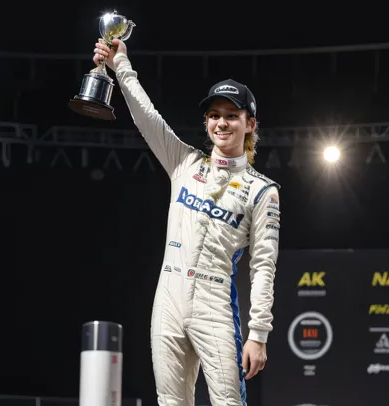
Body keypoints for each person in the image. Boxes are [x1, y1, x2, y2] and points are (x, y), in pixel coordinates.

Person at [93, 37, 281, 406]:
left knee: (228, 402)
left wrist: (258, 332)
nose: (221, 123)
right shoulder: (185, 163)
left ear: (250, 123)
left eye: (231, 115)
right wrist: (120, 67)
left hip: (215, 308)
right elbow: (148, 118)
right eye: (214, 115)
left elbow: (263, 267)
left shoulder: (264, 191)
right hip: (168, 299)